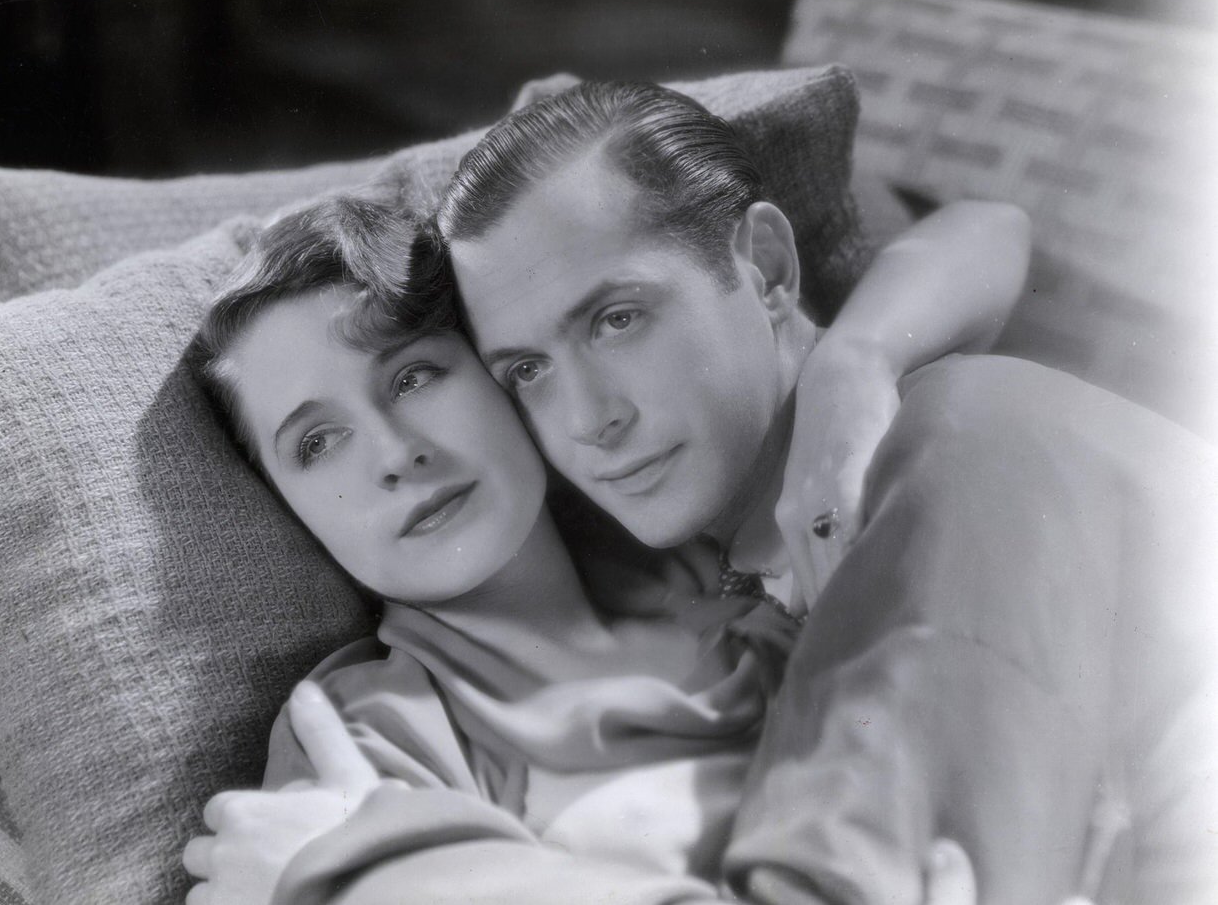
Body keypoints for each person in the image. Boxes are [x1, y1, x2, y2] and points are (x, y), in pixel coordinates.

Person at [432, 80, 1218, 903]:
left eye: (619, 319)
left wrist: (856, 358)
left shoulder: (960, 433)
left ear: (767, 269)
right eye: (527, 370)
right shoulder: (690, 607)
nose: (587, 419)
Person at [180, 193, 1026, 905]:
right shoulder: (366, 734)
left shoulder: (703, 530)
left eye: (413, 377)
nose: (396, 452)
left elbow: (989, 231)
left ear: (504, 371)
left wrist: (854, 360)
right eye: (318, 443)